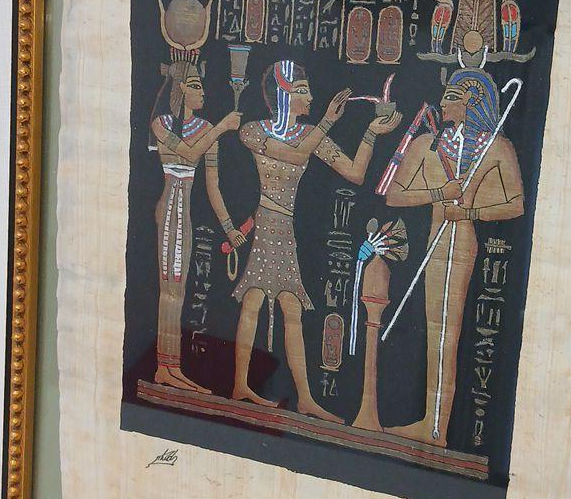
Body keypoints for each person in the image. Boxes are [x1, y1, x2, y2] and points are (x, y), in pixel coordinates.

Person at [231, 60, 401, 419]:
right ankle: (240, 385)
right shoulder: (253, 130)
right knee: (253, 299)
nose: (310, 98)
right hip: (267, 222)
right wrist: (327, 121)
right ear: (283, 96)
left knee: (291, 307)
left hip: (285, 228)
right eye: (302, 91)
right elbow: (293, 154)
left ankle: (305, 398)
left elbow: (355, 173)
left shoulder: (311, 135)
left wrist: (370, 133)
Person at [384, 67, 523, 446]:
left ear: (470, 103)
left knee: (449, 332)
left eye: (450, 97)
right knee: (434, 330)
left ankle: (438, 428)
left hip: (462, 240)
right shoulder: (427, 144)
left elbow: (515, 204)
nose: (441, 103)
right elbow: (395, 194)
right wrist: (440, 193)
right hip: (434, 238)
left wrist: (470, 212)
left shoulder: (496, 147)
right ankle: (430, 422)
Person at [150, 61, 242, 391]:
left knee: (179, 289)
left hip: (184, 212)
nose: (202, 92)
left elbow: (213, 186)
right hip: (168, 209)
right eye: (195, 86)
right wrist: (221, 127)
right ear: (180, 90)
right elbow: (188, 154)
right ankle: (164, 367)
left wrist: (229, 227)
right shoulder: (162, 124)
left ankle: (172, 367)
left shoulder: (205, 128)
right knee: (168, 288)